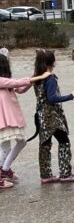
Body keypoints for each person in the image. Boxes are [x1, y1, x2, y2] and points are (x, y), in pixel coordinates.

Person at [0, 48, 51, 186]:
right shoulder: (1, 80)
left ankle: (5, 170)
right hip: (3, 119)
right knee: (6, 147)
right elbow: (16, 83)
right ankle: (2, 173)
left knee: (19, 143)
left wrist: (34, 77)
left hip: (8, 119)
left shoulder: (6, 80)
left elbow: (20, 88)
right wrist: (38, 77)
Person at [31, 49, 74, 184]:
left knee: (45, 144)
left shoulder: (37, 77)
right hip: (52, 116)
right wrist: (71, 95)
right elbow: (52, 98)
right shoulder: (50, 78)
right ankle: (65, 173)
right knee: (64, 141)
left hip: (41, 116)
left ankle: (45, 175)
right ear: (52, 62)